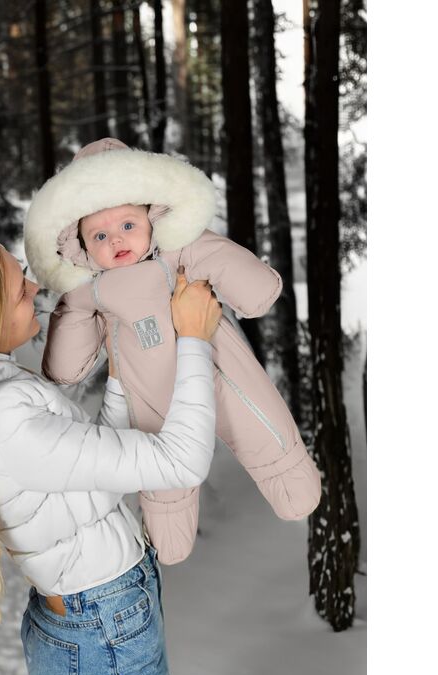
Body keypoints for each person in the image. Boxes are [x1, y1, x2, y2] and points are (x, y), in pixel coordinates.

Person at [0, 202, 222, 675]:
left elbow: (91, 473)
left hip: (95, 616)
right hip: (102, 627)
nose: (35, 287)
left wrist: (121, 368)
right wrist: (196, 338)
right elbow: (182, 461)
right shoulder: (8, 418)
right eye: (19, 290)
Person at [25, 138, 322, 565]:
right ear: (81, 246)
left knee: (255, 417)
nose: (116, 240)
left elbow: (250, 283)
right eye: (100, 235)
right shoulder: (91, 290)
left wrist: (240, 276)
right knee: (162, 469)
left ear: (152, 215)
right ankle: (169, 526)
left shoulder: (181, 251)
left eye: (128, 225)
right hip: (152, 399)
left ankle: (288, 473)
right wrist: (73, 303)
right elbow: (65, 367)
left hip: (219, 369)